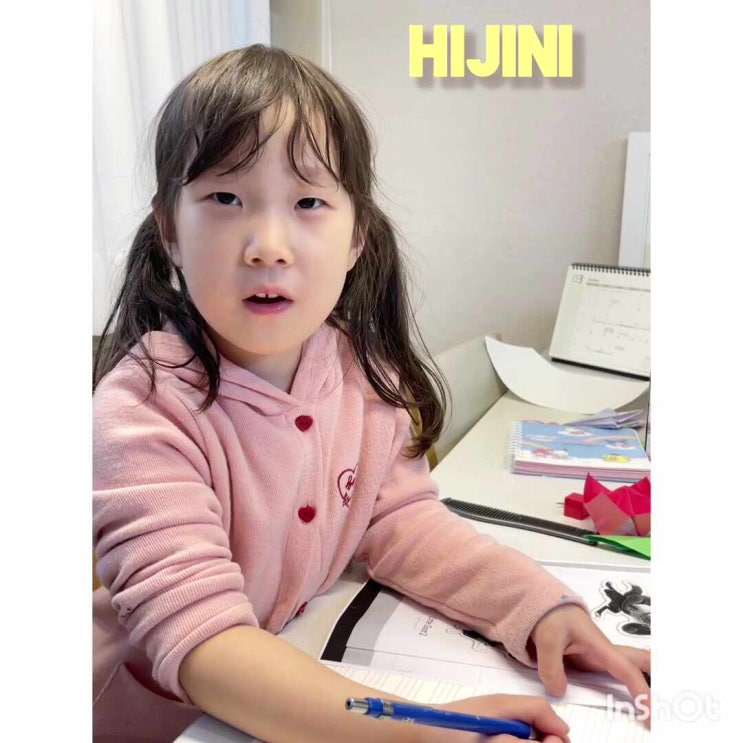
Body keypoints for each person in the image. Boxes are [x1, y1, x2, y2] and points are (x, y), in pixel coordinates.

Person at [93, 44, 650, 743]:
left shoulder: (361, 371)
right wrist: (412, 725)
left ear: (356, 235)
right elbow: (205, 644)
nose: (268, 245)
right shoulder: (139, 412)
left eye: (308, 202)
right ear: (170, 231)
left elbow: (401, 523)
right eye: (225, 199)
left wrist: (539, 607)